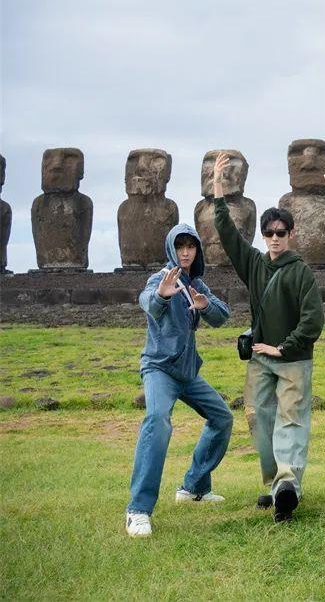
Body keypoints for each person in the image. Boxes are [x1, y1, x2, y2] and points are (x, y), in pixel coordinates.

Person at [213, 154, 324, 523]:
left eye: (281, 233)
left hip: (292, 359)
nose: (275, 239)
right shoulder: (256, 264)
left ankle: (288, 484)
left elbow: (313, 320)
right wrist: (218, 189)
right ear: (264, 236)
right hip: (260, 359)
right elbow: (229, 235)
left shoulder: (302, 273)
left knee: (291, 420)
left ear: (291, 234)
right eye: (269, 233)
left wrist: (283, 347)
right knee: (259, 418)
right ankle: (276, 485)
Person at [125, 224, 233, 537]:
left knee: (222, 418)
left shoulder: (197, 283)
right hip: (159, 368)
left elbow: (222, 315)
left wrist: (205, 304)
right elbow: (147, 303)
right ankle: (138, 509)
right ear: (172, 248)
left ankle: (194, 487)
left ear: (197, 250)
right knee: (158, 421)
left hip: (187, 373)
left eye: (191, 246)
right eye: (180, 246)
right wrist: (161, 296)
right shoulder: (161, 278)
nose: (186, 252)